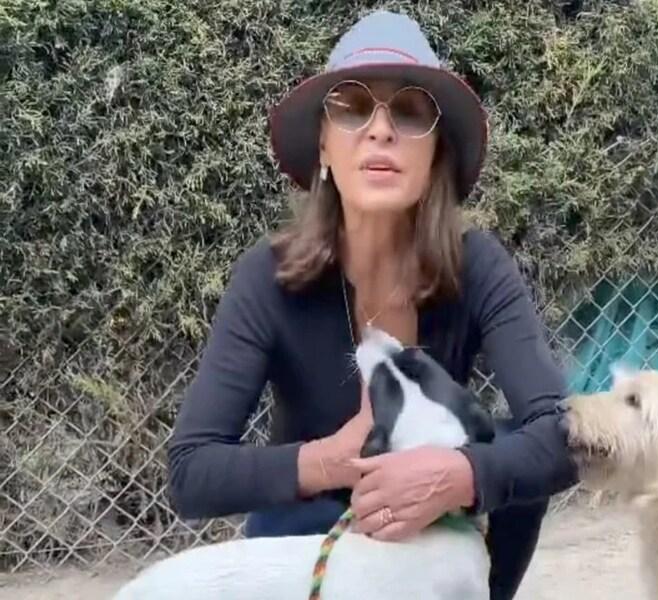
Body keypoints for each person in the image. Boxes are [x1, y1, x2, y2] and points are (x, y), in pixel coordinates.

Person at [166, 10, 578, 600]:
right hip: (307, 534)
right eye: (353, 107)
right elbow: (190, 469)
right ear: (324, 147)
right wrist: (329, 462)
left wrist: (462, 474)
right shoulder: (268, 278)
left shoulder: (478, 266)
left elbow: (563, 434)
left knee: (509, 457)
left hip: (439, 524)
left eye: (409, 112)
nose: (380, 130)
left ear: (435, 155)